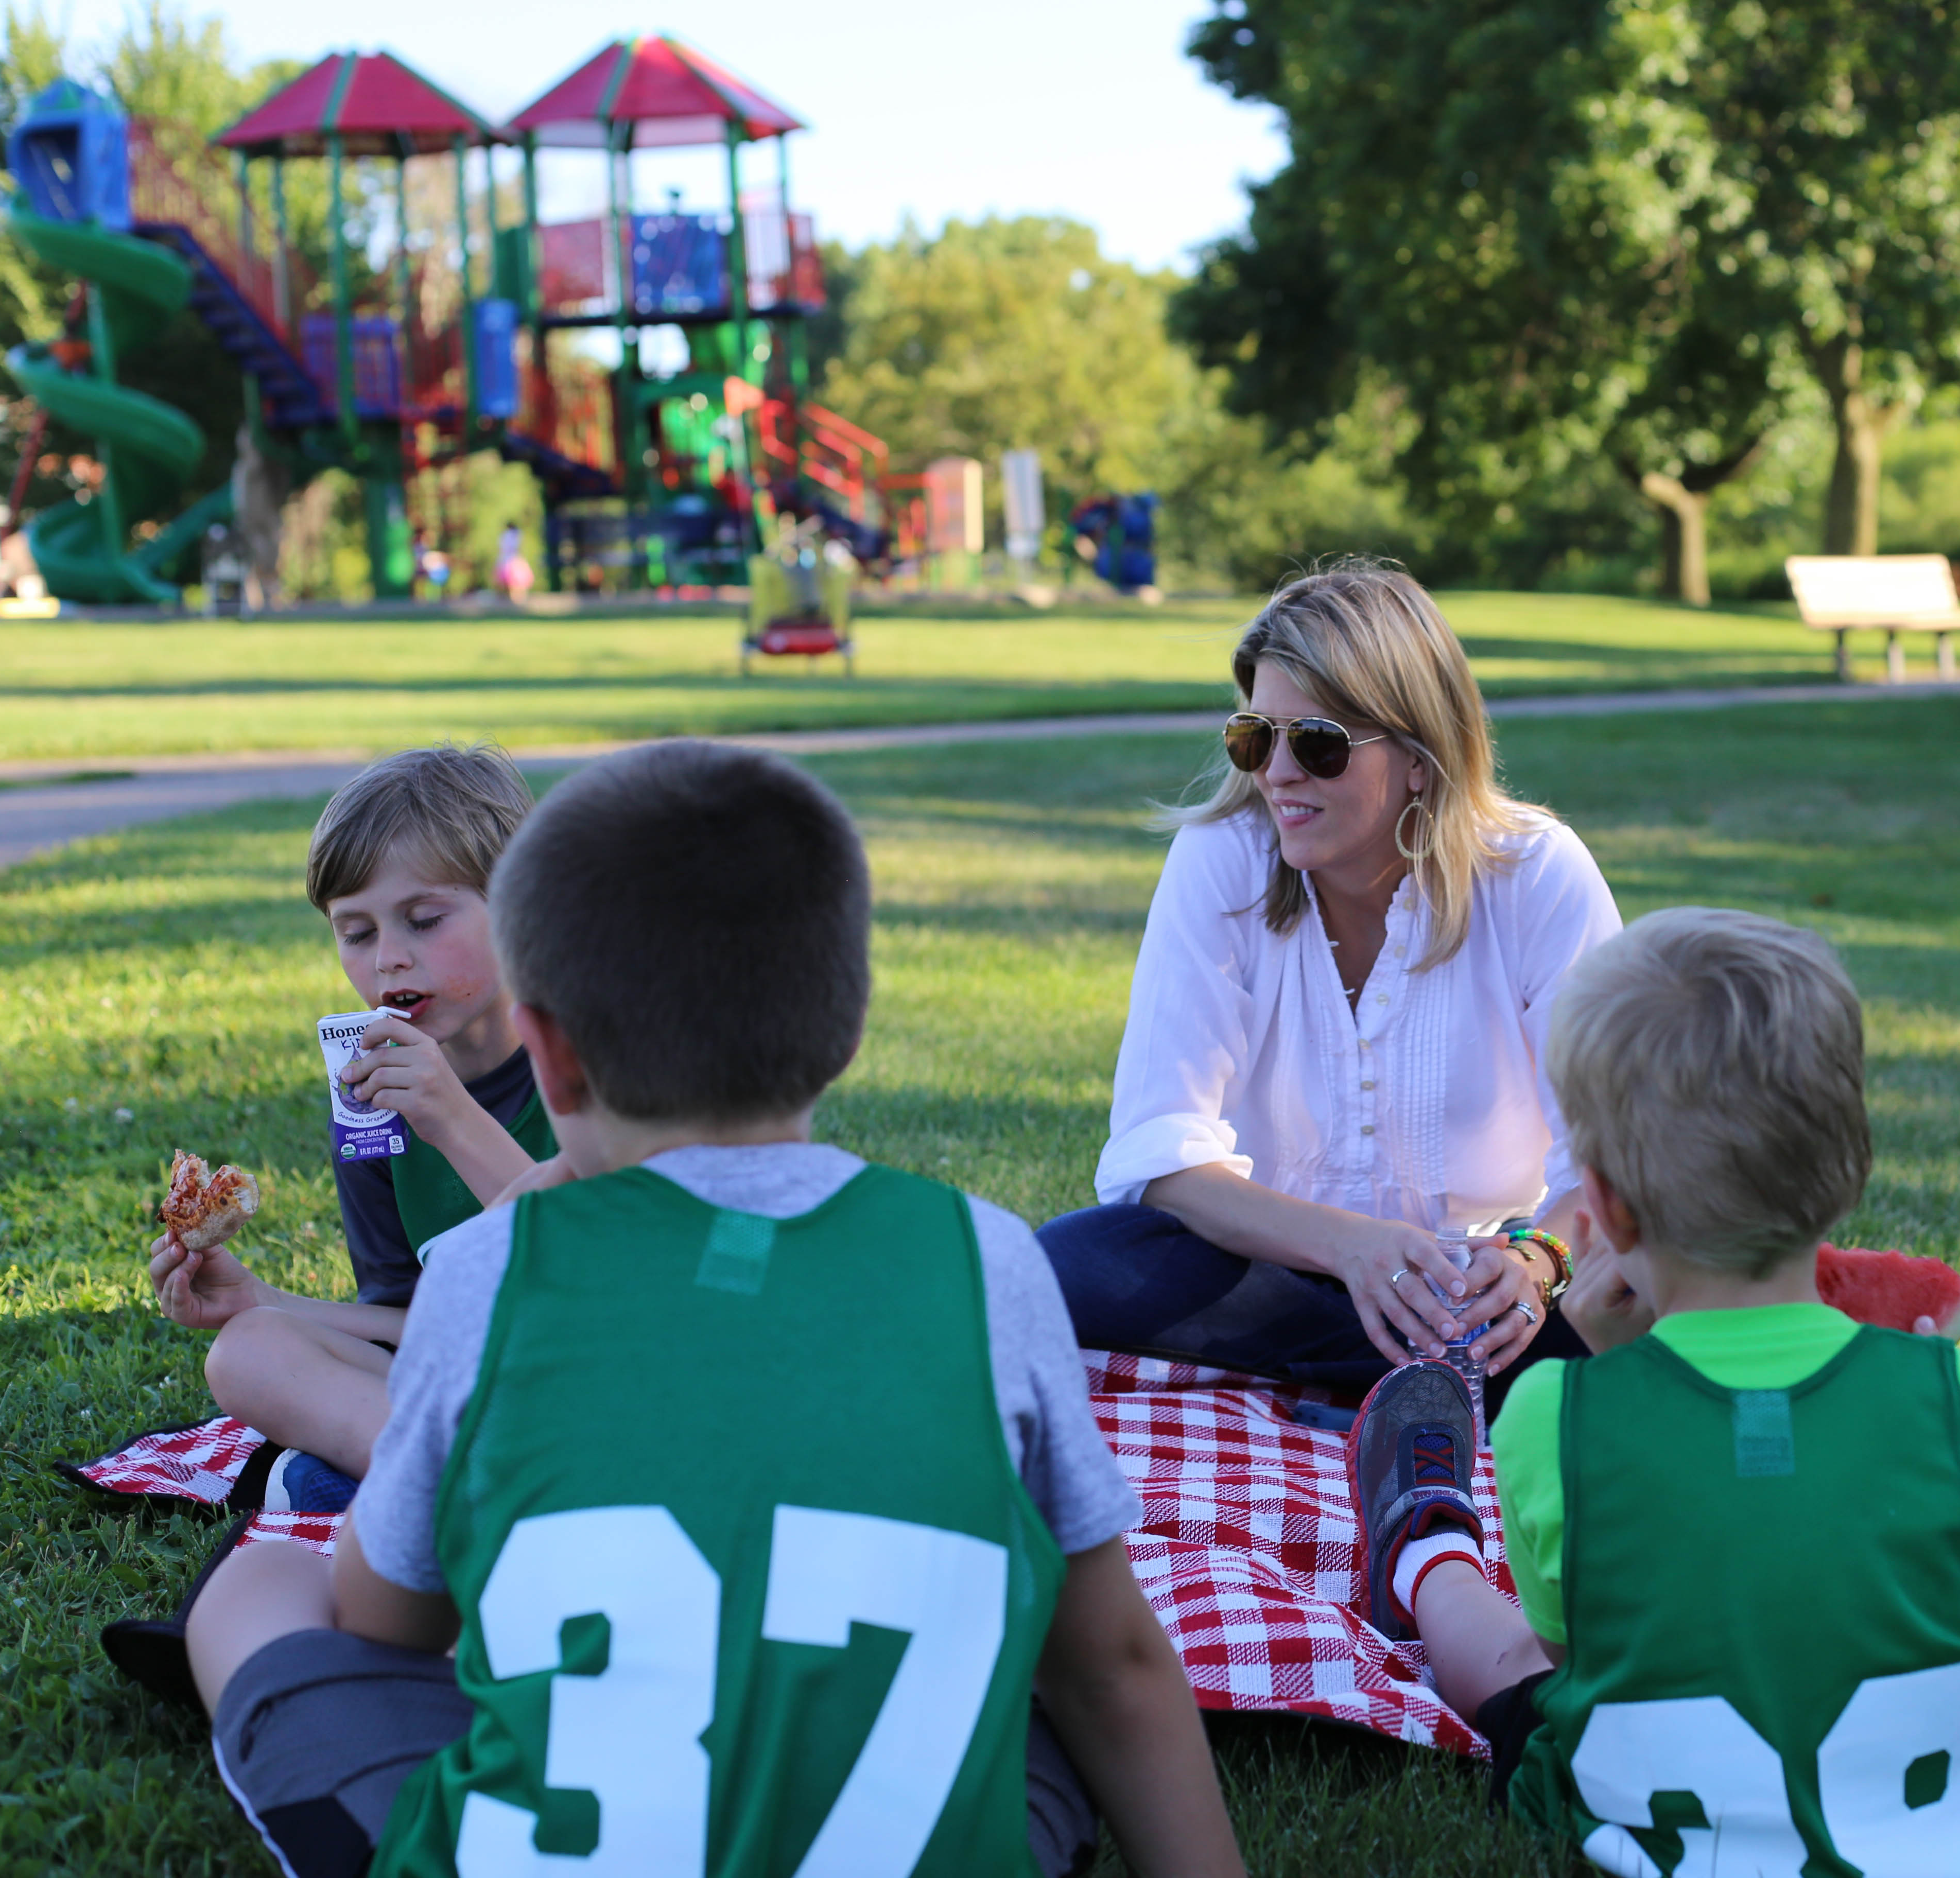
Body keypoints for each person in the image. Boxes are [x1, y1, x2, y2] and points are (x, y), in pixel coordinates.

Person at [178, 741, 1246, 1878]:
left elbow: (391, 1628)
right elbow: (1116, 1668)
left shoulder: (498, 1269)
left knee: (260, 1586)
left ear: (548, 1049)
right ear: (846, 1024)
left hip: (561, 1841)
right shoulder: (986, 1259)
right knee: (1028, 1711)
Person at [1349, 907, 1960, 1873]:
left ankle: (1424, 1540)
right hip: (1936, 1798)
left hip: (1658, 1809)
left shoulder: (1550, 1414)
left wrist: (1606, 1376)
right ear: (1847, 1175)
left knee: (1516, 1665)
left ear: (1600, 1207)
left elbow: (1578, 1645)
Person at [1036, 561, 1623, 1394]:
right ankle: (1428, 1379)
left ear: (1420, 757)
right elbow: (1161, 1155)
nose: (1276, 772)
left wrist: (1537, 1265)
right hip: (1280, 1270)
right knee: (1075, 1260)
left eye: (1316, 744)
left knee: (1633, 1295)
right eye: (1253, 737)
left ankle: (1361, 1374)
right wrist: (1351, 1248)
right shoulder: (1218, 859)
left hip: (1485, 1290)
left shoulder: (1535, 872)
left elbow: (1611, 1157)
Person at [146, 746, 556, 1501]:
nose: (391, 960)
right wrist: (262, 1300)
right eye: (357, 933)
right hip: (482, 1386)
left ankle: (405, 1480)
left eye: (425, 920)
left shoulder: (594, 1059)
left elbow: (615, 1268)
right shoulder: (370, 1099)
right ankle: (463, 1482)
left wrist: (454, 1120)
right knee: (246, 1353)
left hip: (616, 1360)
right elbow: (410, 1323)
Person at [494, 523, 534, 604]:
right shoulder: (516, 535)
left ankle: (511, 598)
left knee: (512, 581)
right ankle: (516, 599)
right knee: (515, 581)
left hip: (508, 559)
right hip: (513, 558)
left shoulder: (506, 536)